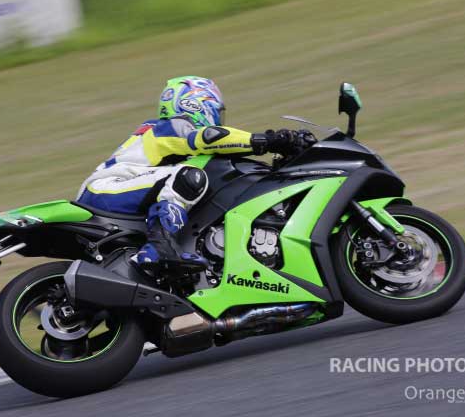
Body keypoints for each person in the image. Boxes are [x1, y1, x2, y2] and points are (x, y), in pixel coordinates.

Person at [77, 76, 315, 271]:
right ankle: (159, 247)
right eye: (217, 112)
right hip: (105, 190)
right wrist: (272, 140)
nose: (219, 120)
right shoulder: (172, 126)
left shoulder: (170, 137)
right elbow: (210, 138)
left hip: (115, 191)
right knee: (190, 176)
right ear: (195, 104)